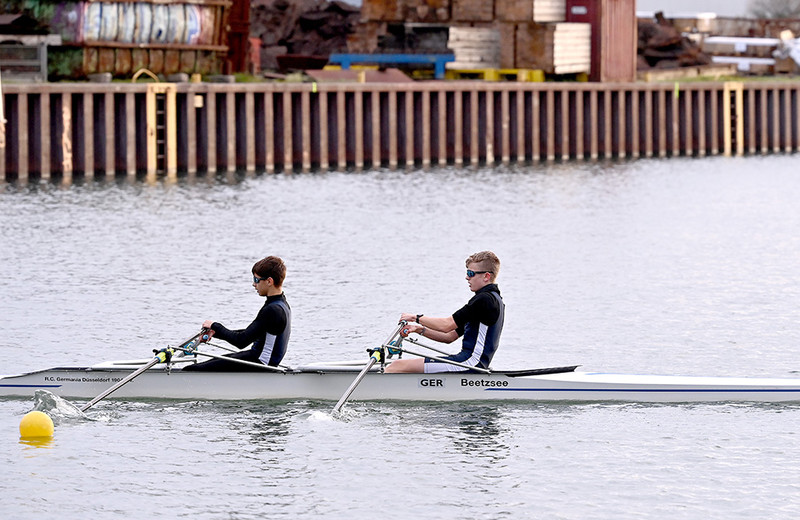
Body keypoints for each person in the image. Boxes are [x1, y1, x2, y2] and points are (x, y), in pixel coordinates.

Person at [385, 251, 504, 373]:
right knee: (400, 366)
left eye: (471, 273)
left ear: (486, 276)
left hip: (470, 363)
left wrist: (416, 318)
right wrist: (418, 329)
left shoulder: (484, 300)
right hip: (471, 363)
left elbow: (446, 325)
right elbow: (449, 336)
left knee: (396, 366)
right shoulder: (494, 299)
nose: (467, 277)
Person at [183, 256, 291, 371]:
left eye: (256, 280)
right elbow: (251, 333)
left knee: (190, 370)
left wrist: (214, 325)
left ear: (269, 281)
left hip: (260, 363)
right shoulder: (282, 304)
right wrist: (215, 332)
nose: (253, 284)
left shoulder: (273, 310)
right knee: (205, 364)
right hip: (258, 359)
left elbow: (241, 341)